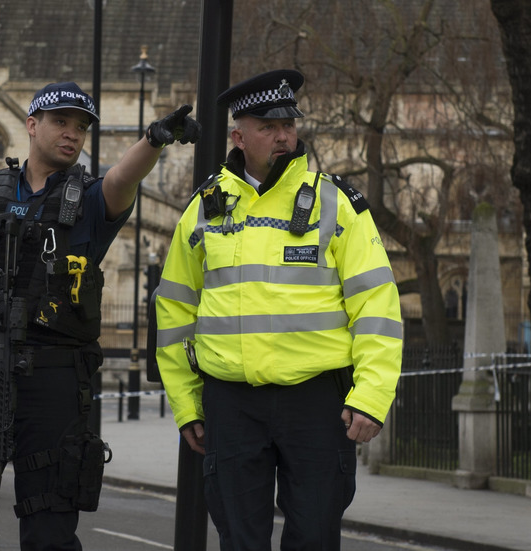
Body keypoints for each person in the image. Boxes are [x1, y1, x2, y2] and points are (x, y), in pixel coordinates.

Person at [0, 81, 200, 551]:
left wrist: (154, 140)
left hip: (53, 381)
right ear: (32, 125)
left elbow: (122, 180)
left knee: (49, 525)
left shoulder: (91, 201)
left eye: (81, 127)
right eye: (61, 122)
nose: (72, 134)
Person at [154, 69, 402, 550]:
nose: (283, 136)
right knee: (239, 539)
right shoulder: (204, 209)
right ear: (239, 136)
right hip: (230, 403)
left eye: (288, 124)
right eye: (267, 126)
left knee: (314, 536)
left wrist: (371, 396)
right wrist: (187, 405)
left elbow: (377, 304)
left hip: (316, 403)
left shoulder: (337, 203)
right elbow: (174, 314)